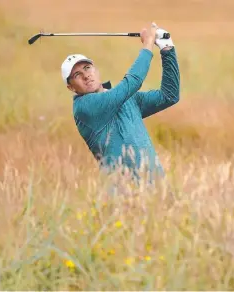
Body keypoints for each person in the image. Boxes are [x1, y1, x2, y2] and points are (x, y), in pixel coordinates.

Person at [61, 22, 180, 185]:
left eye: (88, 68)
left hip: (157, 192)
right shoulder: (84, 108)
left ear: (96, 70)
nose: (86, 75)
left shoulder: (127, 99)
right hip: (123, 196)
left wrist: (167, 49)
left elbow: (169, 95)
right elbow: (131, 83)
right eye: (77, 75)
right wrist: (148, 45)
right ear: (71, 87)